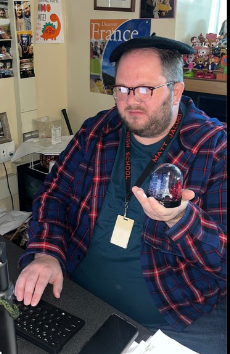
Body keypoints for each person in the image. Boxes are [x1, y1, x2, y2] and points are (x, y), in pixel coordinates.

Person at [15, 34, 227, 351]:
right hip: (78, 297)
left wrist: (181, 219)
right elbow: (53, 195)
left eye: (145, 88)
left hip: (169, 320)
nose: (131, 100)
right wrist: (46, 253)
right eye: (121, 89)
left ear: (176, 91)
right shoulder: (97, 130)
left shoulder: (215, 150)